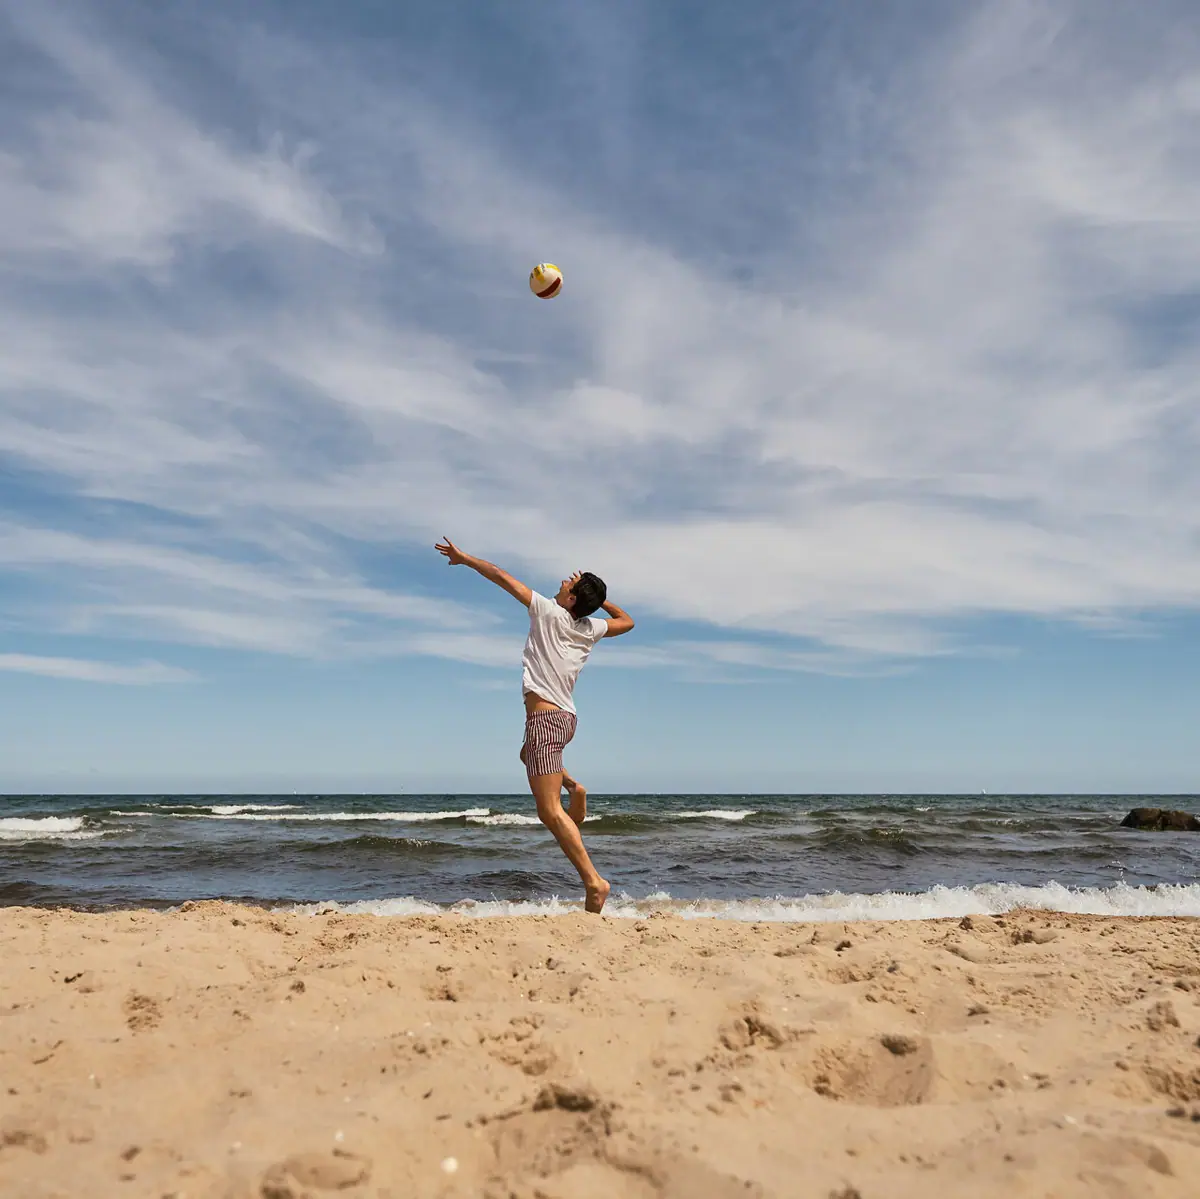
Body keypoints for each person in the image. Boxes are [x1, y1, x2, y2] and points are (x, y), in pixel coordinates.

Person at [434, 538, 634, 912]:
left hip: (545, 719)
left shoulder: (548, 611)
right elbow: (628, 621)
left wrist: (464, 560)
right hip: (565, 719)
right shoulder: (591, 629)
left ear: (571, 599)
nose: (562, 583)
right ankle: (574, 786)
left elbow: (502, 577)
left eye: (569, 586)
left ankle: (594, 882)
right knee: (527, 754)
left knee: (548, 812)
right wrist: (597, 598)